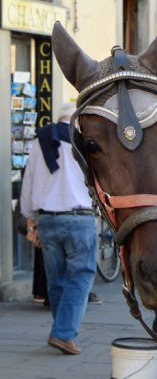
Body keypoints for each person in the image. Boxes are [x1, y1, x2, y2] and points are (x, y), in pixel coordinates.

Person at [20, 102, 97, 355]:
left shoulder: (38, 142)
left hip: (48, 219)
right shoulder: (85, 143)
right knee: (81, 275)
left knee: (57, 280)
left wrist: (30, 219)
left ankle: (61, 330)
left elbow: (28, 181)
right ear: (76, 120)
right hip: (80, 219)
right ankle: (63, 333)